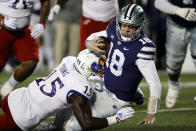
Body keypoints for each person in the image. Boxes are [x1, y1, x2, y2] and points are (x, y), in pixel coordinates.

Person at [63, 4, 162, 131]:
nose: (126, 29)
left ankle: (132, 91)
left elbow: (154, 83)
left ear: (140, 26)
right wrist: (89, 43)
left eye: (131, 27)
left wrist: (152, 112)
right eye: (124, 25)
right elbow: (93, 37)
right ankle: (55, 125)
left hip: (116, 99)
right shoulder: (114, 28)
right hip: (102, 84)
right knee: (66, 91)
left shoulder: (143, 47)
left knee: (72, 126)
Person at [0, 49, 134, 131]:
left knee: (66, 99)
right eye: (99, 70)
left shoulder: (68, 61)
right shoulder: (82, 88)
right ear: (90, 69)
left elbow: (68, 87)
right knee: (73, 99)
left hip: (15, 96)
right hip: (21, 117)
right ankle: (56, 126)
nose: (101, 73)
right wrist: (116, 118)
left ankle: (56, 126)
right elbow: (86, 123)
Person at [0, 0, 50, 98]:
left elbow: (46, 2)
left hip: (24, 29)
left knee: (31, 62)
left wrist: (42, 23)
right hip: (2, 28)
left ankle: (6, 88)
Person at [154, 0, 196, 108]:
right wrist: (177, 10)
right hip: (176, 24)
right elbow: (158, 2)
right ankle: (173, 85)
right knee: (173, 62)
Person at [48, 0, 133, 51]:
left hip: (110, 20)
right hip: (89, 20)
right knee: (86, 53)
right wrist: (58, 5)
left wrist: (129, 16)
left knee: (111, 54)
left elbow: (128, 1)